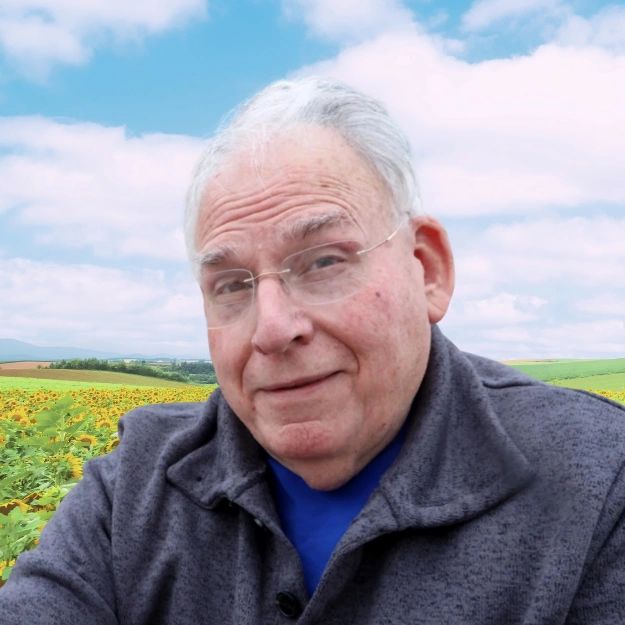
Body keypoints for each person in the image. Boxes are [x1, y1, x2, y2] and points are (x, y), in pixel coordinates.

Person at [1, 77, 625, 625]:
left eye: (324, 261)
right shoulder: (133, 485)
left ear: (427, 269)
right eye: (231, 285)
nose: (272, 329)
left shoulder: (598, 478)